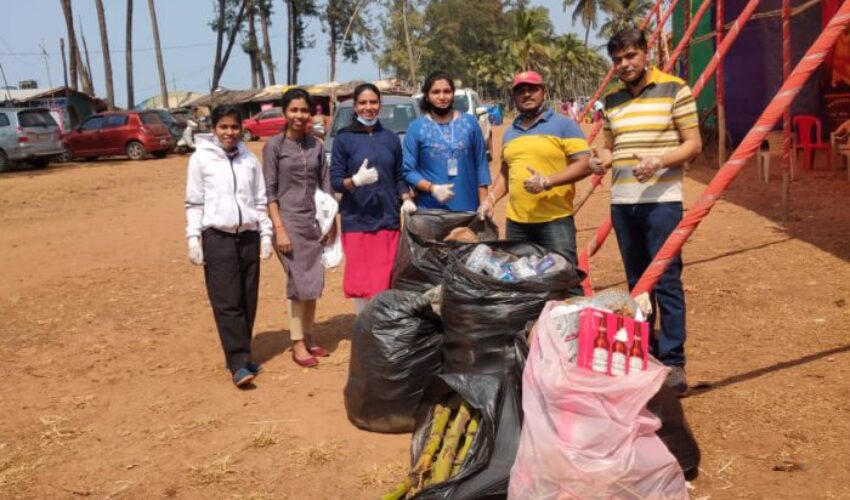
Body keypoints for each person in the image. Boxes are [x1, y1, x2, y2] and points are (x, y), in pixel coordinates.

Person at [593, 28, 702, 394]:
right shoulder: (612, 100)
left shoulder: (675, 89)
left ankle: (673, 362)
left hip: (662, 202)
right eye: (618, 60)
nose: (624, 65)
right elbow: (611, 148)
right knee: (637, 284)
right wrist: (602, 159)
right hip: (623, 204)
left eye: (630, 56)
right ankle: (645, 354)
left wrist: (659, 161)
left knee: (667, 280)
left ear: (645, 53)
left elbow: (693, 145)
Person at [184, 105, 274, 388]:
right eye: (223, 127)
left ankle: (240, 355)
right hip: (217, 236)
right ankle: (238, 363)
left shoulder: (250, 160)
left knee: (248, 298)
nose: (229, 133)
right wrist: (193, 237)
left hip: (247, 234)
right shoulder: (201, 160)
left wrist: (266, 234)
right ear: (214, 129)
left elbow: (260, 200)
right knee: (227, 301)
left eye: (234, 127)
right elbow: (194, 202)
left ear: (241, 129)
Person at [479, 71, 591, 296]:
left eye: (532, 89)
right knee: (520, 282)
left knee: (564, 280)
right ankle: (533, 330)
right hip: (518, 223)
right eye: (520, 91)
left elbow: (585, 164)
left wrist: (548, 181)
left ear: (544, 93)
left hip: (555, 221)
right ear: (514, 97)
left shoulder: (564, 126)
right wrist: (491, 198)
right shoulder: (510, 133)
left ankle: (571, 329)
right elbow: (506, 172)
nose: (527, 94)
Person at [263, 88, 337, 368]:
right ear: (284, 113)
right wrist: (279, 228)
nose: (299, 115)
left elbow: (326, 185)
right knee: (298, 280)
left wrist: (331, 223)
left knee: (314, 279)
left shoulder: (316, 145)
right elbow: (269, 192)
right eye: (293, 110)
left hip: (313, 221)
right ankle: (297, 343)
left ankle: (308, 336)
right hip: (288, 221)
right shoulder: (274, 147)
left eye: (303, 110)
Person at [330, 83, 415, 314]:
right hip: (357, 219)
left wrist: (405, 198)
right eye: (363, 103)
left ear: (380, 105)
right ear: (355, 107)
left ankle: (382, 329)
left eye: (373, 102)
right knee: (362, 281)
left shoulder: (390, 138)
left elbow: (399, 176)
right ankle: (364, 326)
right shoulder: (343, 139)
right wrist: (355, 181)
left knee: (386, 278)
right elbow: (335, 181)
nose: (369, 108)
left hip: (387, 219)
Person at [403, 71, 491, 211]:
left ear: (453, 94)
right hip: (431, 213)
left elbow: (481, 165)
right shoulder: (416, 128)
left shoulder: (470, 123)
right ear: (427, 96)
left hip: (468, 211)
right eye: (436, 92)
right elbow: (408, 171)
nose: (442, 97)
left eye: (447, 91)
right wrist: (432, 188)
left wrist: (485, 202)